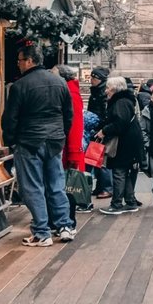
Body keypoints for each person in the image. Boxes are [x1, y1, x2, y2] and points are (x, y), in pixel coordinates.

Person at [3, 43, 76, 245]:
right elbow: (68, 114)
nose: (18, 65)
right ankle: (64, 226)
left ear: (29, 61)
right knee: (56, 184)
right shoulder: (59, 82)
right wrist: (61, 134)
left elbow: (10, 118)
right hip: (54, 140)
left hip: (28, 141)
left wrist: (11, 141)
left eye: (19, 61)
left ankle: (42, 231)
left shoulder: (20, 86)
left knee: (32, 187)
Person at [98, 75, 144, 215]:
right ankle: (130, 202)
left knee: (119, 171)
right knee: (125, 171)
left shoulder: (120, 102)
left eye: (107, 88)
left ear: (114, 88)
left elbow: (120, 123)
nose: (106, 91)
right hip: (130, 141)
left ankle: (116, 204)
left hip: (124, 143)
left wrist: (104, 131)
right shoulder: (125, 100)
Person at [58, 65, 89, 217]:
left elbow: (75, 125)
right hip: (68, 147)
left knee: (69, 185)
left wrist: (74, 153)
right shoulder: (68, 92)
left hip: (70, 149)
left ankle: (67, 218)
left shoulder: (71, 94)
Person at [88, 66, 113, 200]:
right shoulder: (96, 92)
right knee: (95, 159)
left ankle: (107, 187)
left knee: (101, 160)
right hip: (96, 128)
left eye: (94, 78)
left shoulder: (102, 93)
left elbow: (104, 113)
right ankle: (100, 186)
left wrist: (101, 128)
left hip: (101, 130)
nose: (91, 80)